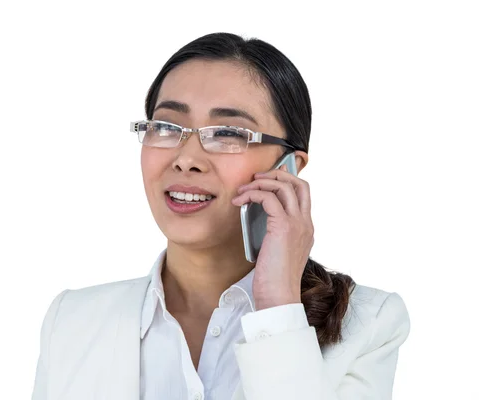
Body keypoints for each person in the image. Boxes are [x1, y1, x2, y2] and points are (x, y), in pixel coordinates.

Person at [30, 32, 410, 400]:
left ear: (289, 168)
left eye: (228, 133)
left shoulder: (367, 323)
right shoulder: (72, 321)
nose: (187, 159)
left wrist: (278, 307)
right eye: (165, 127)